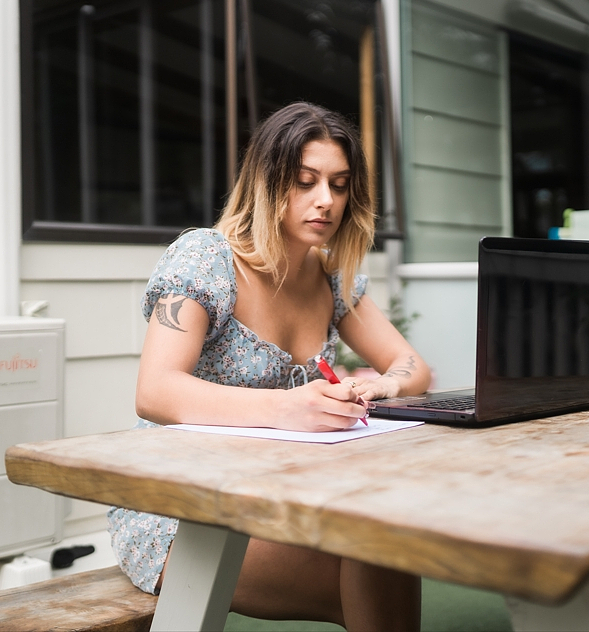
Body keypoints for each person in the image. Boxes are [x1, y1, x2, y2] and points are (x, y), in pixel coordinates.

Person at [107, 102, 430, 631]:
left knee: (387, 540)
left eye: (340, 184)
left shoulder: (328, 276)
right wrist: (288, 408)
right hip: (179, 510)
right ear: (266, 180)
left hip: (275, 498)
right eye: (305, 181)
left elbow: (411, 366)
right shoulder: (205, 259)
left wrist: (378, 386)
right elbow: (155, 392)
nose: (325, 201)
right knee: (381, 552)